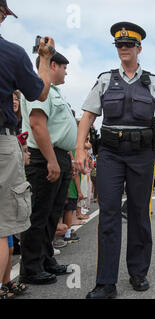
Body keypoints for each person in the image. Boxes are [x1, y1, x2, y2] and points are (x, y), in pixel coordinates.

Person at [74, 22, 155, 299]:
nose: (124, 49)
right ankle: (106, 282)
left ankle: (138, 272)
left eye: (129, 45)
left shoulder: (152, 82)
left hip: (142, 155)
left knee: (139, 212)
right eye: (119, 45)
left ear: (139, 48)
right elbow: (87, 116)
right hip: (111, 154)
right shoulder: (106, 80)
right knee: (108, 215)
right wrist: (80, 149)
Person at [0, 0, 56, 299]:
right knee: (5, 221)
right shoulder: (11, 53)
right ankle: (2, 285)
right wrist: (44, 58)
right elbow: (40, 91)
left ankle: (7, 283)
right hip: (1, 142)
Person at [19, 51, 77, 285]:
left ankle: (45, 259)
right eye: (64, 67)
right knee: (39, 213)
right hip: (45, 157)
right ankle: (31, 268)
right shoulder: (38, 88)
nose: (66, 72)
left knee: (52, 213)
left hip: (58, 155)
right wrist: (52, 159)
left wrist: (64, 160)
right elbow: (37, 125)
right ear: (53, 65)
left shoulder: (54, 92)